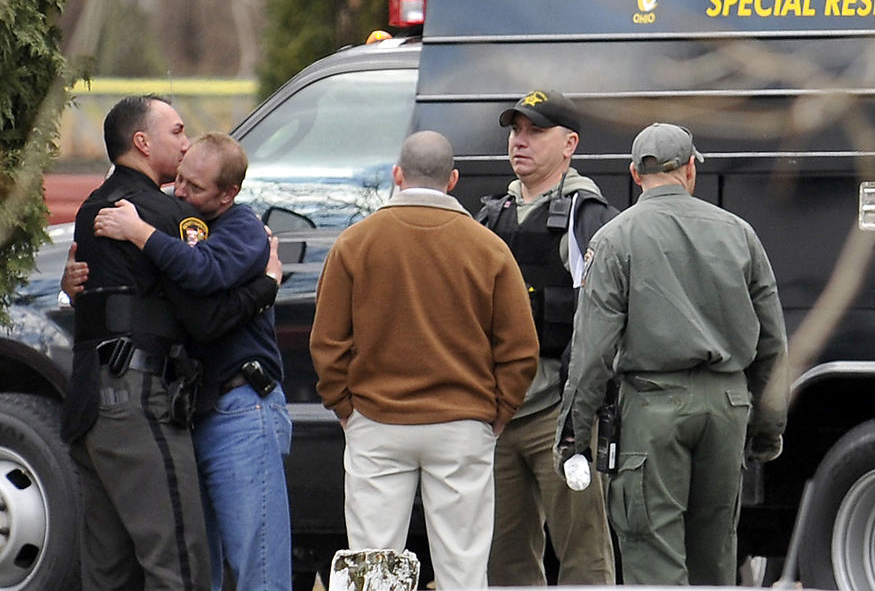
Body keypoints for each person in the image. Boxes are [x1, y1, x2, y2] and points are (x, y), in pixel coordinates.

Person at [61, 96, 281, 591]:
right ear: (142, 142)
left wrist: (69, 284)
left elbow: (101, 299)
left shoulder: (90, 209)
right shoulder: (168, 215)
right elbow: (204, 317)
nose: (185, 145)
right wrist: (266, 286)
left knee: (110, 571)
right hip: (138, 398)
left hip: (87, 403)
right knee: (179, 565)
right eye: (177, 132)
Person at [556, 122, 789, 586]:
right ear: (689, 171)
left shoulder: (615, 239)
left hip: (653, 408)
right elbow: (773, 344)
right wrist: (765, 432)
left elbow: (592, 353)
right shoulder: (739, 233)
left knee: (653, 557)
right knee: (716, 557)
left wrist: (574, 438)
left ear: (634, 174)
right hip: (727, 407)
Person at [310, 130, 540, 590]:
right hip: (463, 423)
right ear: (453, 179)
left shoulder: (355, 243)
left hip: (376, 421)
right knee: (463, 565)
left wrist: (345, 408)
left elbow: (327, 341)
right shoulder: (488, 247)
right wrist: (500, 412)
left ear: (397, 175)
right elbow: (520, 348)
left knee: (372, 563)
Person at [476, 89, 616, 586]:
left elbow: (604, 323)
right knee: (504, 559)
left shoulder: (588, 218)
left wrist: (582, 410)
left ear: (569, 143)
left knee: (583, 556)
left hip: (560, 415)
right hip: (498, 415)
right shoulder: (490, 217)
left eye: (536, 131)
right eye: (515, 130)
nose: (520, 141)